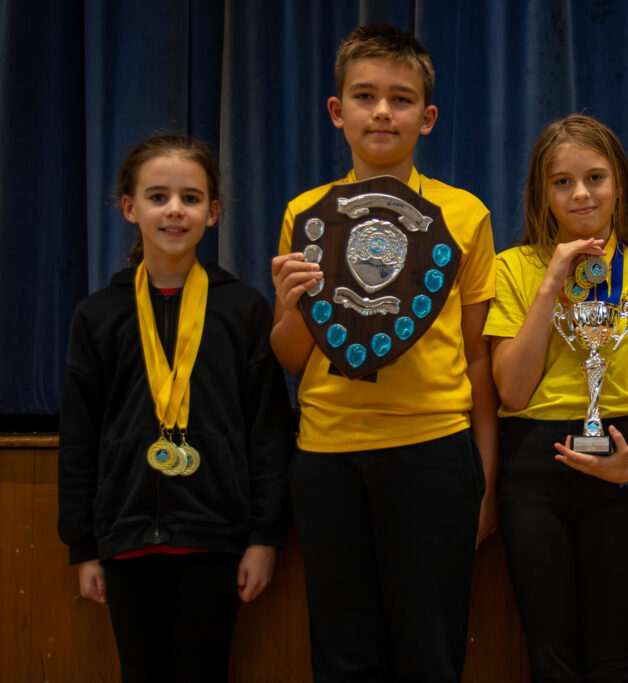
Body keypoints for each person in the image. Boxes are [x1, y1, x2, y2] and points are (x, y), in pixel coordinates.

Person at [269, 23, 498, 682]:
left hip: (434, 449)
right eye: (364, 96)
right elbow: (290, 356)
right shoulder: (305, 213)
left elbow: (478, 358)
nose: (381, 111)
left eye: (400, 99)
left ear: (425, 119)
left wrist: (485, 475)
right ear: (337, 112)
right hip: (327, 451)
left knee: (430, 651)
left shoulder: (465, 214)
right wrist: (289, 306)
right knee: (343, 654)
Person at [57, 135, 292, 682]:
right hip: (126, 538)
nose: (173, 211)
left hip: (217, 538)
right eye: (157, 196)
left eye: (190, 198)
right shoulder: (98, 316)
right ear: (129, 206)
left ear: (212, 213)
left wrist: (264, 536)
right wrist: (83, 546)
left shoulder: (242, 308)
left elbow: (266, 429)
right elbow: (80, 438)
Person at [484, 114, 628, 681]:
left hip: (618, 462)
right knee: (550, 658)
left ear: (619, 184)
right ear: (541, 192)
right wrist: (551, 280)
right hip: (531, 467)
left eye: (595, 178)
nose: (580, 193)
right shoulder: (512, 269)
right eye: (562, 182)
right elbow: (514, 390)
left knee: (614, 656)